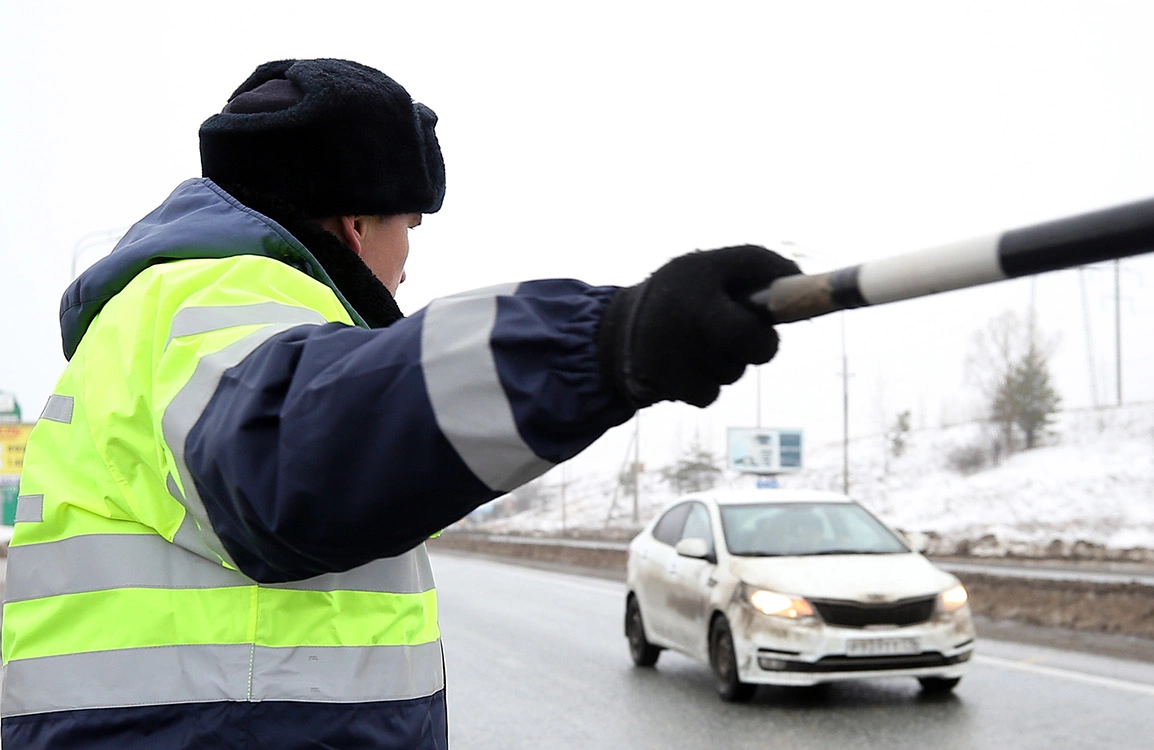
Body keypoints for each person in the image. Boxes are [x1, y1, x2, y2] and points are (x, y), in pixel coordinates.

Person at [0, 58, 799, 749]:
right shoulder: (207, 294)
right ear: (357, 224)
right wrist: (603, 343)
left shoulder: (167, 316)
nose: (409, 264)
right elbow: (291, 447)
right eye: (408, 226)